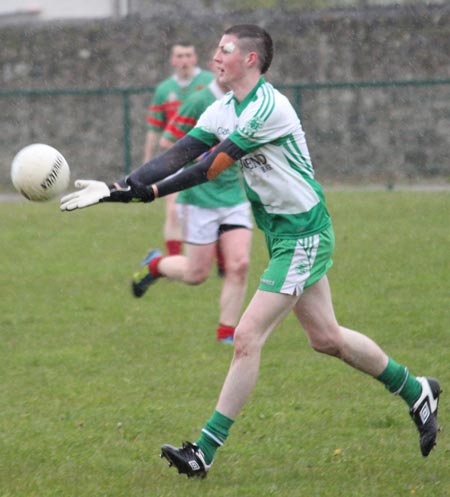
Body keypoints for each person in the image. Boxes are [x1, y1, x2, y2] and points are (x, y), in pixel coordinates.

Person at [60, 24, 441, 479]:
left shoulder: (268, 108)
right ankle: (416, 389)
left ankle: (203, 451)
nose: (214, 57)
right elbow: (180, 152)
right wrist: (119, 186)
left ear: (250, 60)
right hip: (281, 233)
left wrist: (146, 193)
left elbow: (208, 167)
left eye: (224, 50)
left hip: (304, 233)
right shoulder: (223, 108)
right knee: (327, 338)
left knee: (246, 337)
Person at [132, 73, 253, 343]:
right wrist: (202, 155)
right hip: (199, 197)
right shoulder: (199, 101)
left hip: (233, 195)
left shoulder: (250, 101)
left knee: (240, 265)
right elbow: (168, 144)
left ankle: (227, 333)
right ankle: (155, 265)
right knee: (196, 274)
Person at [143, 41, 214, 256]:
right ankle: (173, 258)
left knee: (213, 208)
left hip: (206, 156)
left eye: (188, 55)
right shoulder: (164, 90)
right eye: (180, 56)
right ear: (172, 60)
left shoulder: (210, 83)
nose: (184, 60)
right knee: (173, 210)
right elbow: (154, 128)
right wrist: (148, 164)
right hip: (174, 156)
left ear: (195, 58)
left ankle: (222, 261)